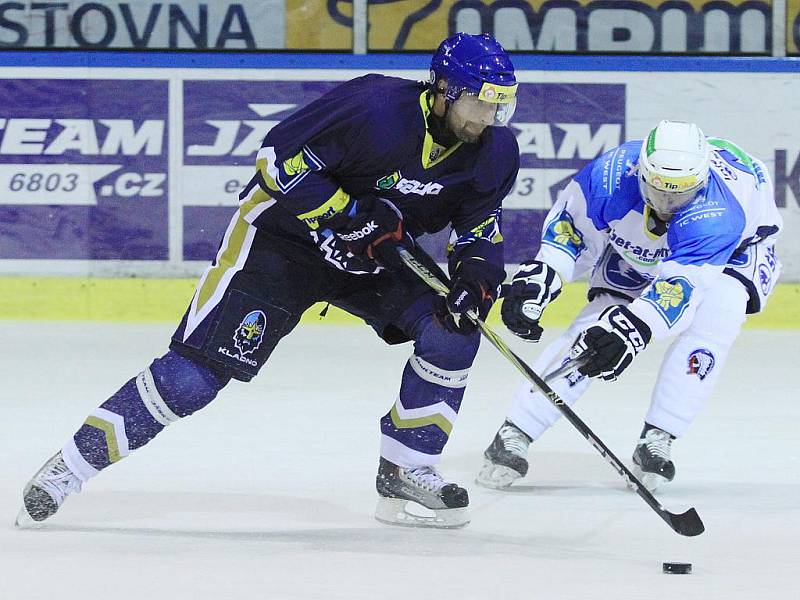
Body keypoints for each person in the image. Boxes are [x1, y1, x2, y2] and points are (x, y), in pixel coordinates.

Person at [17, 33, 520, 530]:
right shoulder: (374, 107)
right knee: (194, 378)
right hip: (284, 244)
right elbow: (277, 161)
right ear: (444, 91)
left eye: (499, 105)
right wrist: (347, 216)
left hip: (373, 259)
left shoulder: (495, 152)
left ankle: (408, 469)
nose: (486, 117)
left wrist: (476, 278)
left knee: (452, 330)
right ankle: (69, 467)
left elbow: (479, 229)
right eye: (478, 102)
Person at [477, 120, 782, 492]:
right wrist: (545, 274)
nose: (668, 204)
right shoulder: (611, 176)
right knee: (593, 328)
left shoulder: (718, 216)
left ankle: (659, 436)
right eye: (659, 190)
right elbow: (571, 228)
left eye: (680, 194)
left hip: (737, 249)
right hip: (641, 241)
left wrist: (632, 332)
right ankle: (517, 429)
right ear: (641, 171)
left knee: (717, 319)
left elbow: (678, 289)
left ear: (700, 182)